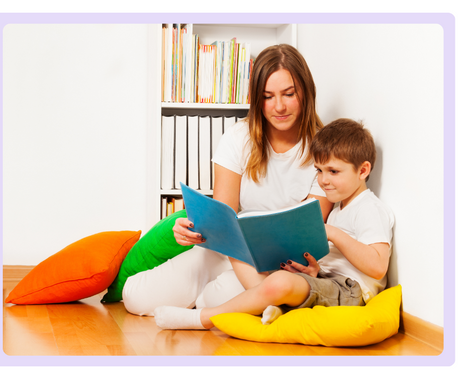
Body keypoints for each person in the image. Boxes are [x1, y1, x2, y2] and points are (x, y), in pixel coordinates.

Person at [122, 44, 333, 316]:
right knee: (135, 297)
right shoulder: (238, 137)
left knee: (214, 300)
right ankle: (215, 301)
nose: (278, 106)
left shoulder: (325, 149)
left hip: (279, 266)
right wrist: (191, 228)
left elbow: (309, 229)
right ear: (257, 99)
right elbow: (224, 215)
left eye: (289, 94)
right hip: (230, 253)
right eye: (268, 96)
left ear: (306, 92)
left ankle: (208, 305)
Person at [153, 118, 395, 330]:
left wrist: (331, 233)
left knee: (278, 282)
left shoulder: (369, 208)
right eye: (319, 171)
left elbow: (377, 266)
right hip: (326, 282)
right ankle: (275, 306)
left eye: (333, 171)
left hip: (349, 291)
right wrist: (315, 271)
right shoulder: (340, 206)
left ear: (363, 170)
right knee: (246, 255)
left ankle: (203, 319)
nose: (323, 180)